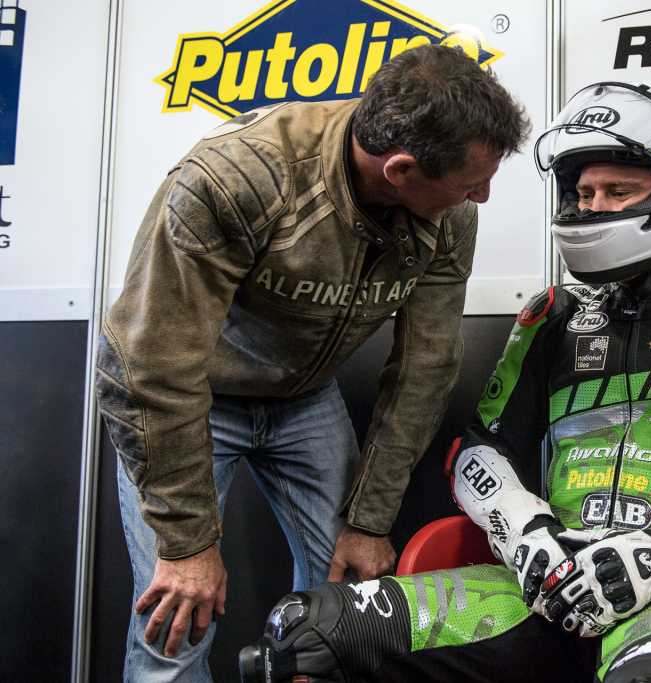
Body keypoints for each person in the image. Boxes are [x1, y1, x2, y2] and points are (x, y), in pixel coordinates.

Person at [242, 82, 651, 683]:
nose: (593, 206)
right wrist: (527, 537)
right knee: (309, 633)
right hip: (545, 584)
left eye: (617, 189)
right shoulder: (550, 317)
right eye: (584, 191)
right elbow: (480, 453)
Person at [95, 44, 530, 682]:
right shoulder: (237, 177)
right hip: (193, 403)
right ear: (402, 170)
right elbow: (147, 365)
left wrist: (369, 520)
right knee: (177, 616)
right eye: (471, 184)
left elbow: (426, 367)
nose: (483, 197)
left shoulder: (449, 214)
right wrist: (189, 544)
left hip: (305, 400)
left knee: (350, 600)